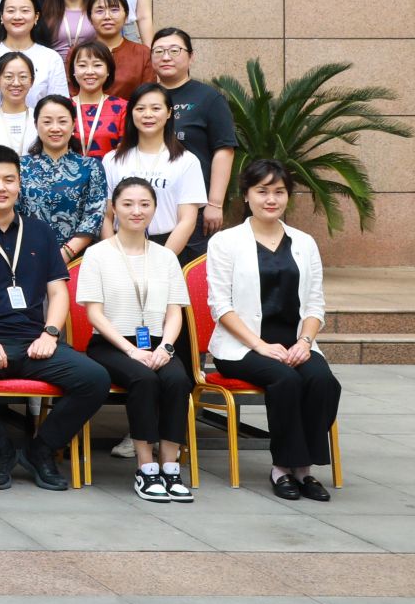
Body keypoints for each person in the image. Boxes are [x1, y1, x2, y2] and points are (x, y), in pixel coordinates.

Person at [0, 145, 109, 491]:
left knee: (95, 378)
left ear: (19, 184)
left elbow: (58, 292)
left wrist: (50, 333)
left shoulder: (40, 233)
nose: (0, 187)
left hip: (34, 342)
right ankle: (0, 451)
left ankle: (40, 450)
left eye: (9, 180)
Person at [208, 160, 342, 502]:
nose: (271, 199)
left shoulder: (304, 242)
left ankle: (303, 469)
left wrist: (305, 342)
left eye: (279, 192)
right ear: (246, 195)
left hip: (294, 344)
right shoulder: (226, 242)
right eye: (262, 191)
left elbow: (315, 304)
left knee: (323, 381)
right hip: (242, 348)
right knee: (286, 380)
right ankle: (284, 468)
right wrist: (260, 345)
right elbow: (220, 306)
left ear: (288, 196)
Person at [77, 177, 194, 503]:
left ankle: (170, 467)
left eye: (144, 204)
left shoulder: (166, 257)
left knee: (177, 380)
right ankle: (146, 468)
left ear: (154, 209)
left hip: (158, 343)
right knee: (144, 379)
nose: (136, 211)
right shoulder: (97, 255)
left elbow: (175, 313)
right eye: (127, 204)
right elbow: (95, 315)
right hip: (112, 344)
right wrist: (131, 351)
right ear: (114, 209)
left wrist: (166, 348)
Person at [152, 28, 238, 250]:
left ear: (191, 56)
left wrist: (215, 203)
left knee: (188, 267)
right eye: (158, 51)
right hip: (150, 204)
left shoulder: (209, 98)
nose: (166, 57)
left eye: (174, 50)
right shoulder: (145, 96)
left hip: (194, 205)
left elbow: (224, 150)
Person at [101, 84, 208, 256]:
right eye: (140, 108)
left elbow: (187, 220)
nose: (148, 114)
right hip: (120, 246)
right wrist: (114, 255)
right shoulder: (112, 160)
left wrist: (163, 260)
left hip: (167, 246)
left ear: (169, 113)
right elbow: (106, 216)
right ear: (131, 113)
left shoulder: (186, 161)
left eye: (156, 108)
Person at [22, 96, 109, 265]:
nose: (55, 128)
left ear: (73, 124)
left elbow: (94, 216)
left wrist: (64, 255)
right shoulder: (20, 167)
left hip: (80, 260)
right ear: (36, 124)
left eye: (62, 121)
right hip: (29, 258)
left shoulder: (91, 167)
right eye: (47, 122)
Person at [0, 0, 69, 106]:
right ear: (1, 17)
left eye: (25, 11)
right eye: (11, 11)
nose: (17, 16)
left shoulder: (51, 58)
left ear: (36, 17)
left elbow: (60, 107)